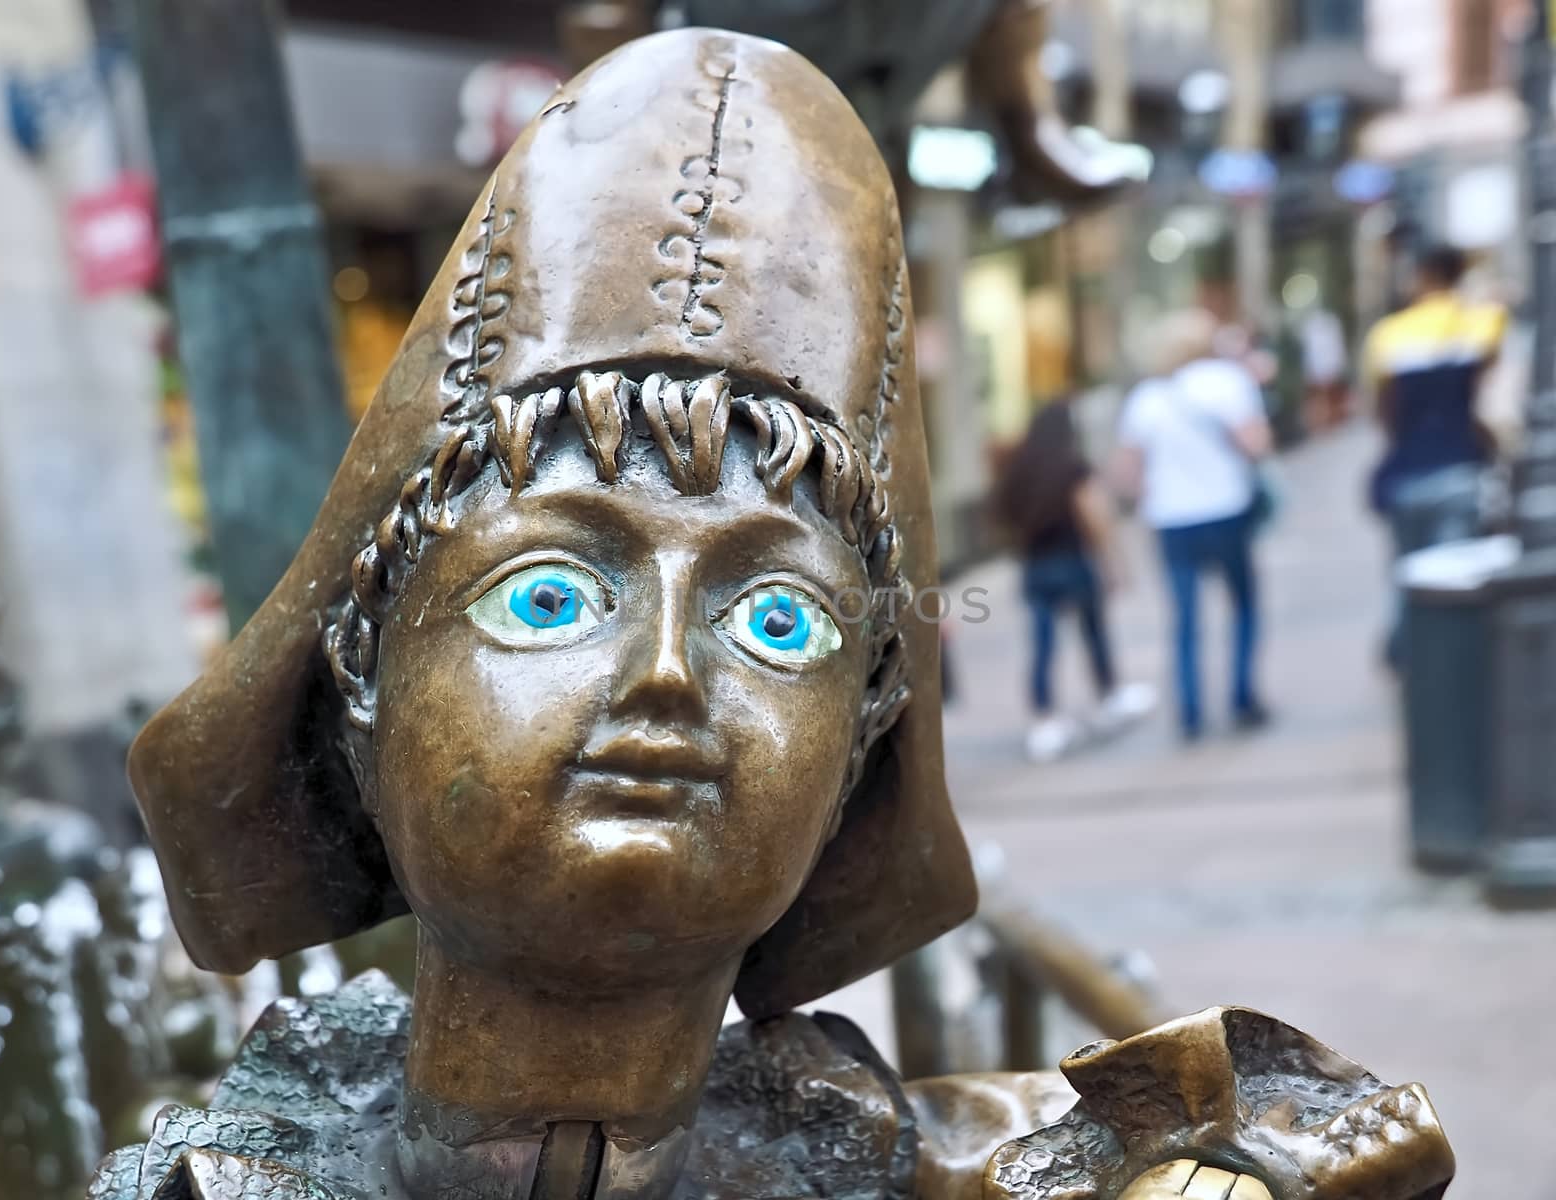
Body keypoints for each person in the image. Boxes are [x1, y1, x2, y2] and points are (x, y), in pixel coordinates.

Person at [90, 30, 1453, 1200]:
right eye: (553, 593)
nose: (670, 674)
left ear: (865, 735)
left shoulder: (870, 1159)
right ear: (364, 667)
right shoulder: (229, 1180)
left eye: (780, 623)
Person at [1116, 310, 1274, 742]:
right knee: (1243, 603)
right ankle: (1242, 696)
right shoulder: (1228, 381)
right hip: (1226, 507)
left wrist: (1151, 492)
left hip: (1171, 518)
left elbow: (1127, 473)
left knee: (1184, 616)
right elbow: (1257, 444)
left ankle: (1190, 711)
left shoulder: (1147, 397)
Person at [1364, 244, 1507, 663]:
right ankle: (1441, 663)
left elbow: (1385, 414)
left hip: (1407, 472)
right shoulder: (1481, 324)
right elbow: (1488, 396)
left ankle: (1405, 652)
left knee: (1407, 575)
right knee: (1455, 581)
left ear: (1423, 276)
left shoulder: (1388, 334)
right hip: (1461, 467)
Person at [993, 400, 1150, 761]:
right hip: (1073, 561)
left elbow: (1002, 516)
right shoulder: (1071, 467)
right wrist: (1113, 562)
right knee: (1093, 633)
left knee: (1043, 643)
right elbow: (1093, 515)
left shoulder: (1019, 469)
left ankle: (1045, 719)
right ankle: (1109, 696)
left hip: (1036, 565)